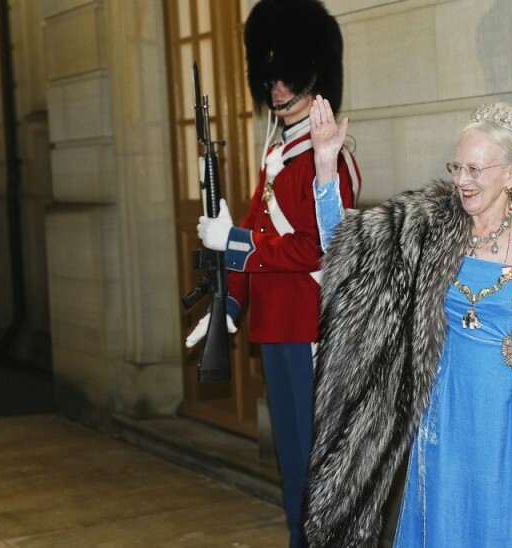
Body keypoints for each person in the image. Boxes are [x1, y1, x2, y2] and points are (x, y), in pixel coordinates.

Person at [301, 98, 512, 547]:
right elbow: (346, 252)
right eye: (456, 167)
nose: (461, 180)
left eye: (475, 169)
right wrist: (326, 166)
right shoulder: (429, 228)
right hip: (450, 418)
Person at [184, 2, 359, 547]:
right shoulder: (277, 154)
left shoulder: (331, 160)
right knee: (293, 471)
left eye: (289, 77)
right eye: (271, 76)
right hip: (276, 331)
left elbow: (316, 249)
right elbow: (257, 236)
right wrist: (229, 307)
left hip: (311, 330)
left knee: (318, 470)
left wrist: (234, 241)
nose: (278, 88)